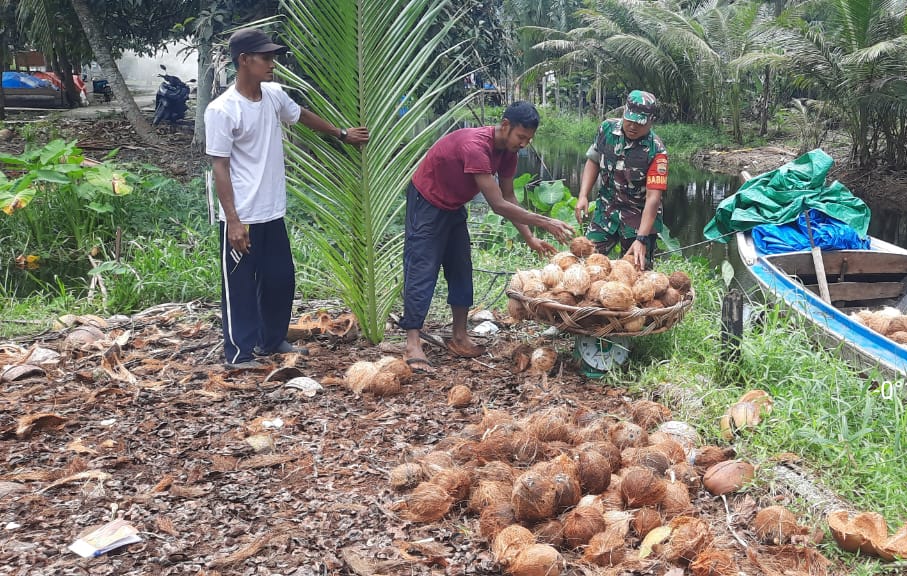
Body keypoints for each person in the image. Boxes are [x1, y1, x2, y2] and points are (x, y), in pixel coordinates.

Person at [205, 29, 369, 369]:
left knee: (280, 279)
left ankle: (271, 339)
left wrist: (340, 134)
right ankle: (239, 353)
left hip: (272, 211)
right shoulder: (222, 110)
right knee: (241, 287)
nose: (272, 64)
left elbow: (300, 115)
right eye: (265, 58)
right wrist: (233, 220)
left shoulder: (274, 95)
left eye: (272, 57)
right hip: (243, 215)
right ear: (244, 60)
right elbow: (219, 167)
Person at [401, 101, 574, 370]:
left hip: (454, 206)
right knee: (422, 268)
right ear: (505, 125)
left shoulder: (508, 153)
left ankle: (459, 336)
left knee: (461, 267)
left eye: (529, 139)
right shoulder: (476, 146)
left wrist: (529, 237)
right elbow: (497, 205)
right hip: (427, 202)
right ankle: (413, 342)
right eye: (521, 137)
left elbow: (509, 196)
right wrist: (544, 221)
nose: (524, 143)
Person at [575, 90, 668, 270]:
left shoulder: (657, 151)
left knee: (636, 274)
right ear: (624, 112)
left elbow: (653, 198)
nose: (632, 126)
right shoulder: (606, 129)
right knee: (584, 263)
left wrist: (641, 238)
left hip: (639, 217)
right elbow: (593, 160)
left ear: (651, 121)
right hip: (607, 210)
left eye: (639, 123)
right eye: (629, 120)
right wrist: (583, 195)